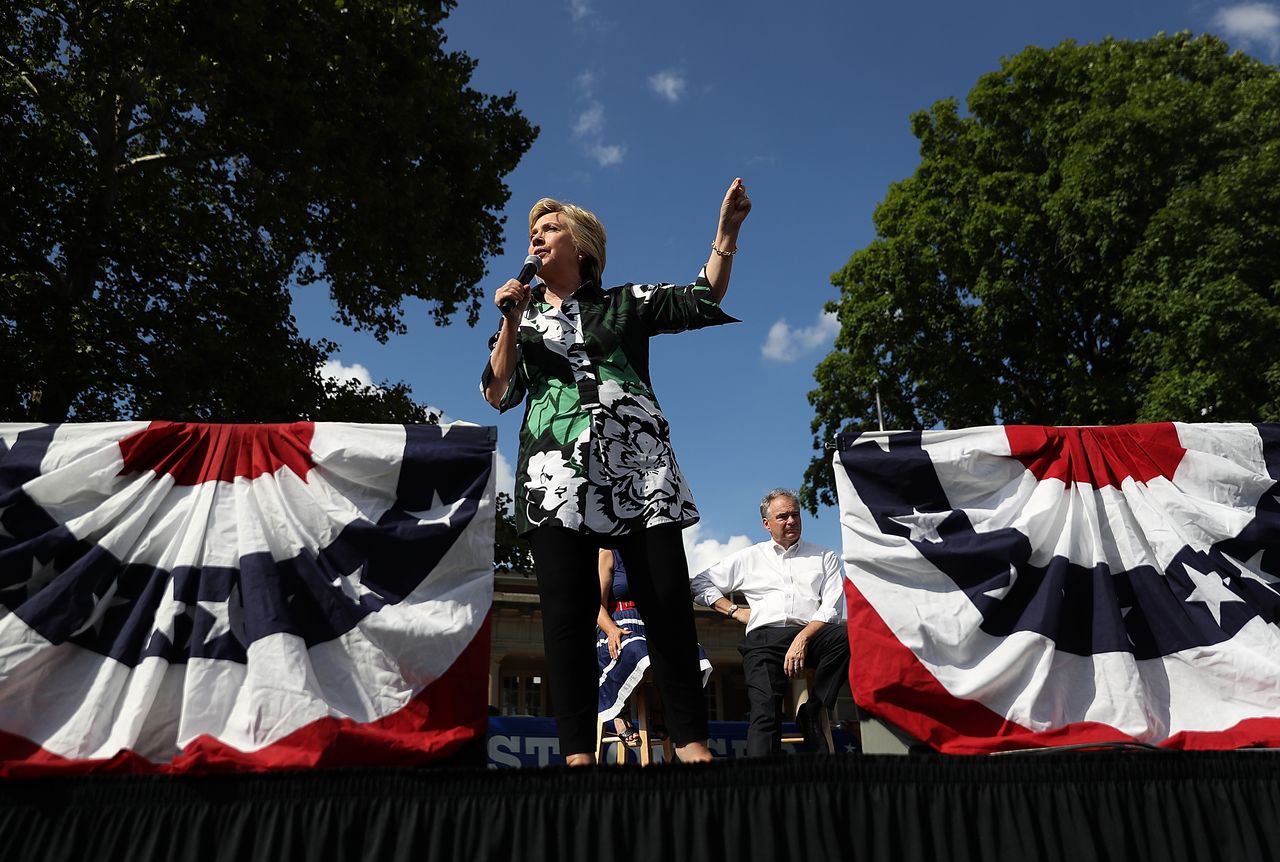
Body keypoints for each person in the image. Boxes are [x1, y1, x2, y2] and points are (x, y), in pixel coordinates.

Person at [481, 179, 751, 765]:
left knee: (667, 605)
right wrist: (509, 319)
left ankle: (691, 745)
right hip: (557, 476)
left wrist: (726, 232)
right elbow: (497, 392)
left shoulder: (624, 304)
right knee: (568, 615)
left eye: (551, 228)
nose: (538, 235)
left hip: (640, 468)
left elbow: (703, 295)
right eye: (534, 232)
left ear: (583, 248)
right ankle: (578, 754)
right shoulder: (523, 322)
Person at [690, 488, 849, 756]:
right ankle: (761, 787)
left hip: (811, 634)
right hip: (765, 639)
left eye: (795, 515)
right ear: (766, 524)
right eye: (782, 516)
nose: (791, 521)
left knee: (847, 636)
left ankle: (813, 710)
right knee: (765, 714)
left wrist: (803, 638)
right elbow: (699, 583)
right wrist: (733, 611)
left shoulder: (824, 556)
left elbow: (832, 607)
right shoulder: (750, 557)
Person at [596, 549, 712, 752]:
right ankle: (621, 714)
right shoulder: (609, 553)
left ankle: (661, 708)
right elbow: (595, 605)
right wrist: (611, 629)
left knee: (690, 650)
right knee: (639, 650)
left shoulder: (652, 555)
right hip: (617, 624)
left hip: (652, 625)